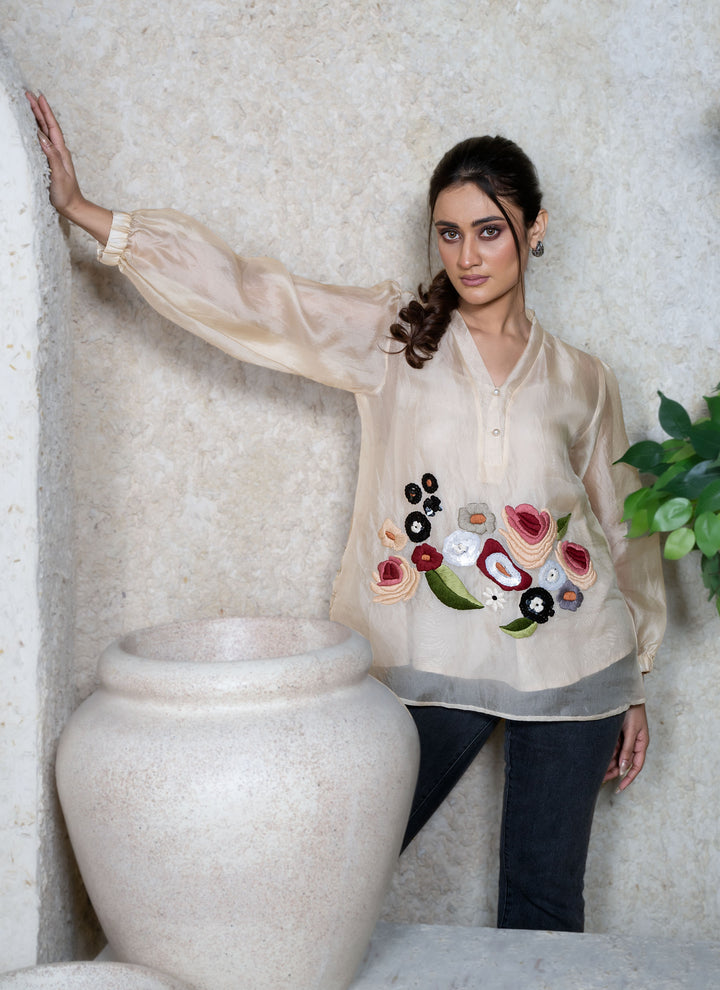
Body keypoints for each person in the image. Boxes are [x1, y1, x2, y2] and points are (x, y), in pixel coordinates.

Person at [27, 91, 666, 933]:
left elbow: (625, 526)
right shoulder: (396, 336)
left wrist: (636, 679)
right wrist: (90, 216)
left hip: (574, 670)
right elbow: (258, 297)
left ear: (534, 229)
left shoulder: (584, 377)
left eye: (489, 230)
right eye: (449, 232)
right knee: (323, 877)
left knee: (546, 910)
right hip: (422, 653)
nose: (468, 255)